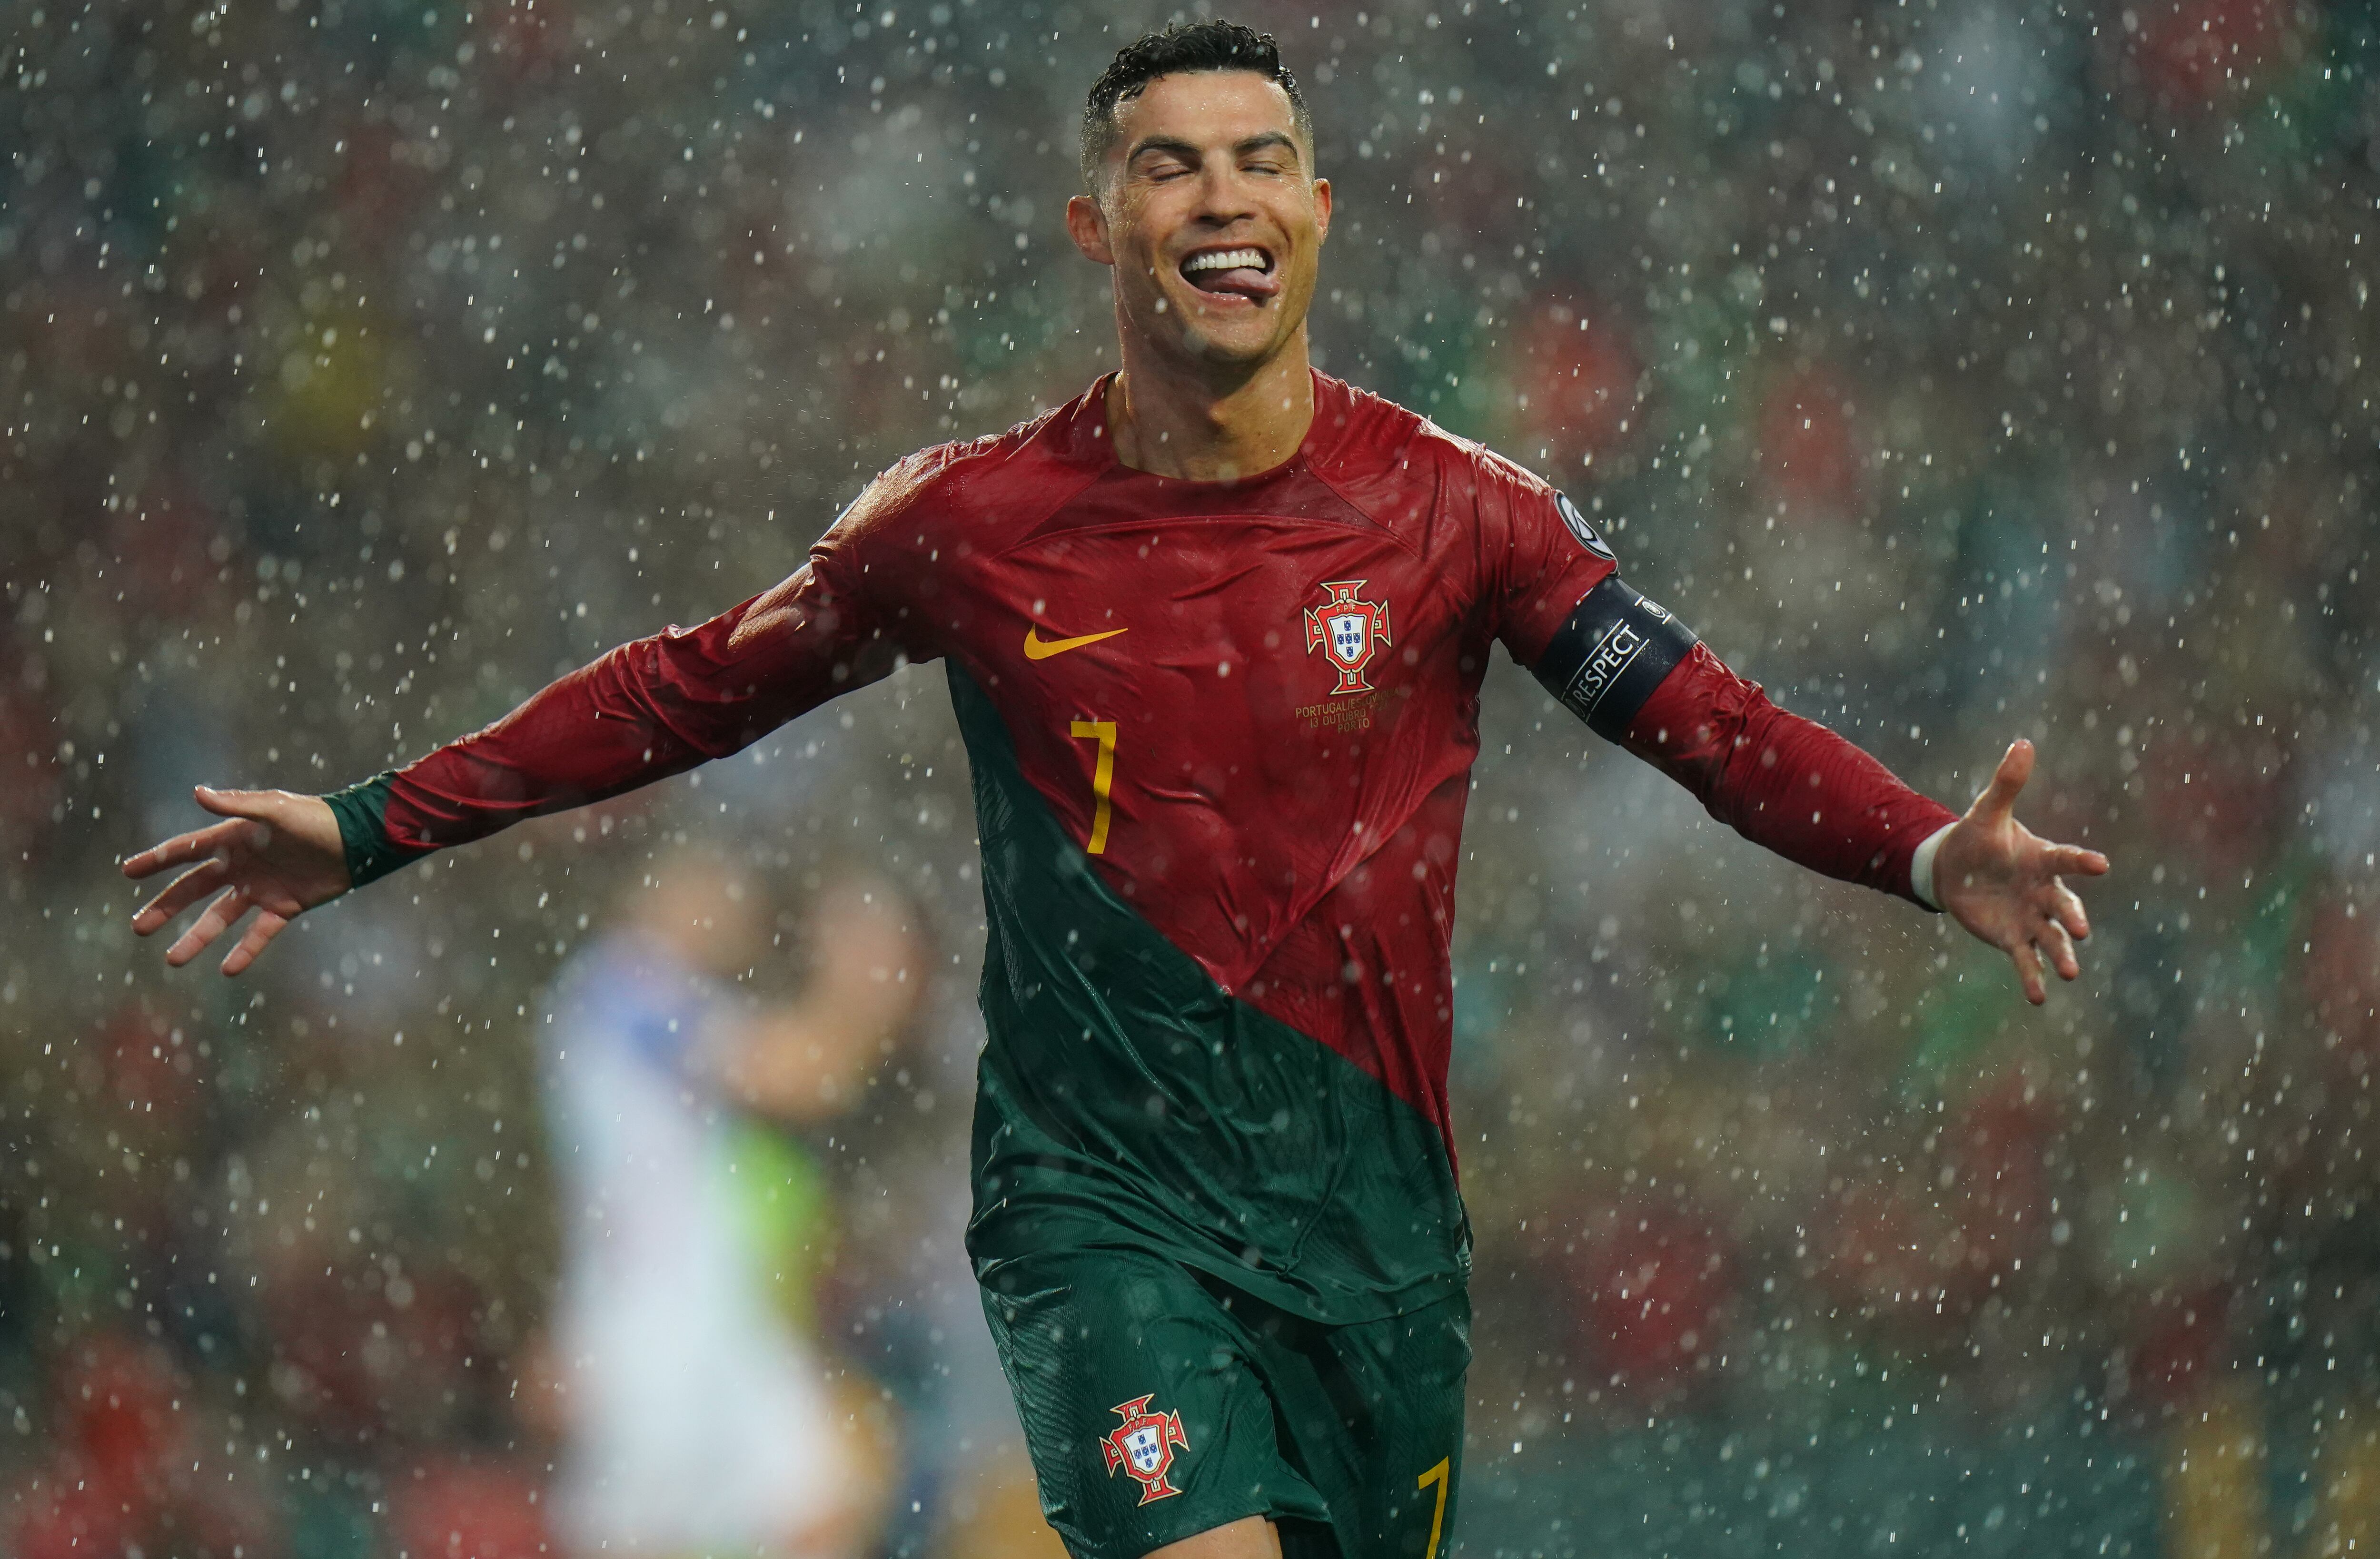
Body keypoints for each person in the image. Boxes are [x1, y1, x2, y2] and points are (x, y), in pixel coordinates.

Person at [123, 21, 2109, 1559]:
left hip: (1376, 1238)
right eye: (1167, 166)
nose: (1217, 197)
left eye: (1257, 160)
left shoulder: (1457, 515)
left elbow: (1696, 716)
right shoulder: (968, 525)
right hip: (1102, 1220)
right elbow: (690, 693)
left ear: (1318, 212)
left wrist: (1925, 848)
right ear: (1100, 226)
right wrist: (370, 824)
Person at [524, 852, 917, 1559]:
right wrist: (866, 983)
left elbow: (815, 1073)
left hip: (716, 1315)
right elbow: (797, 1072)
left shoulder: (654, 995)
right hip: (652, 1324)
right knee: (643, 1538)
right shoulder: (624, 988)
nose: (740, 914)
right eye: (724, 890)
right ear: (670, 887)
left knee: (827, 1498)